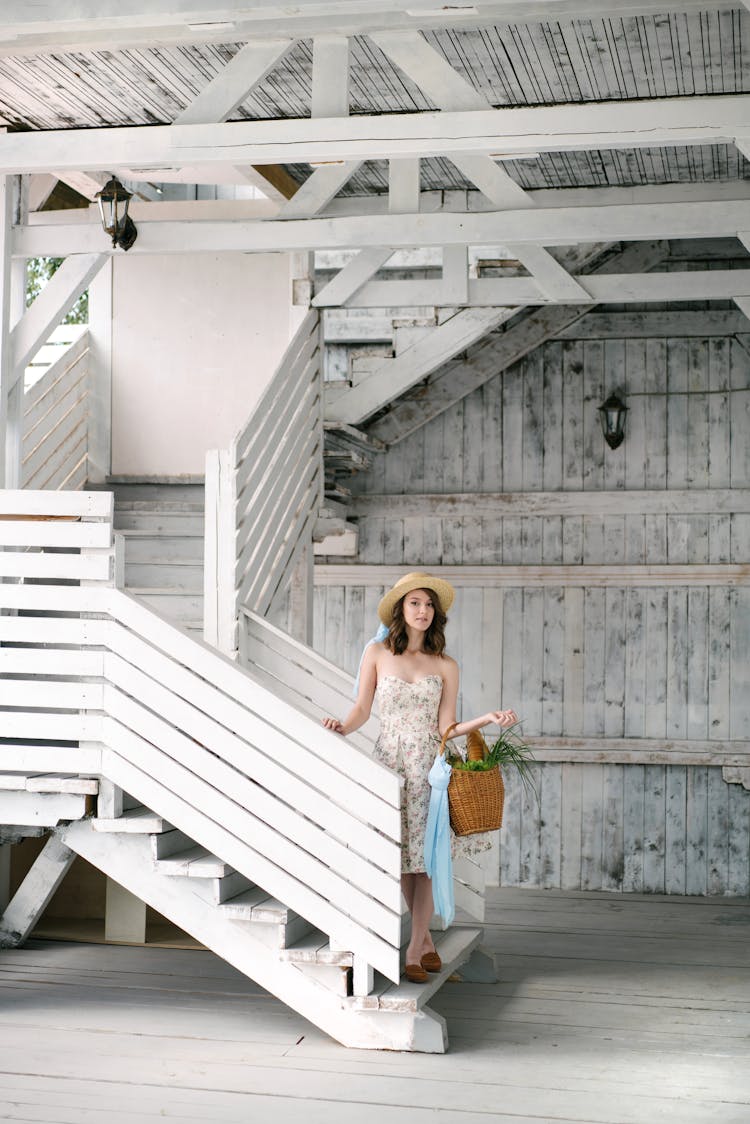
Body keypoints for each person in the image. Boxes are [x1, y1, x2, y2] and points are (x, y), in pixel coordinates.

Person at [322, 571, 517, 984]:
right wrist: (341, 725)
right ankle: (425, 941)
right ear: (400, 609)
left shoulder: (446, 664)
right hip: (390, 765)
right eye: (415, 603)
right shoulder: (376, 653)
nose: (424, 611)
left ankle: (414, 946)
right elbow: (361, 708)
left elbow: (446, 725)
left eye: (430, 605)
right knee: (401, 859)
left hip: (430, 769)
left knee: (426, 860)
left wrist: (485, 719)